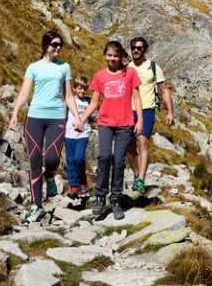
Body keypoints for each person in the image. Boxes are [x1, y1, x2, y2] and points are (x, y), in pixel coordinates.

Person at [7, 32, 81, 223]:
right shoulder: (34, 67)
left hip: (57, 118)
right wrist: (15, 113)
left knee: (51, 158)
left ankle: (50, 176)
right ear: (45, 45)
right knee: (34, 162)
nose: (58, 48)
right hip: (35, 118)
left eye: (60, 45)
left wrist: (77, 117)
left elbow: (69, 95)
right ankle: (36, 205)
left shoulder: (64, 67)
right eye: (55, 44)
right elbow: (24, 92)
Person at [77, 41, 142, 220]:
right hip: (105, 122)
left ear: (120, 56)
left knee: (119, 160)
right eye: (109, 55)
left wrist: (140, 120)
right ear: (105, 55)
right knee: (104, 157)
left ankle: (116, 198)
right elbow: (94, 102)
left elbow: (137, 98)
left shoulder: (130, 73)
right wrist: (81, 119)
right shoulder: (99, 76)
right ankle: (100, 196)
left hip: (125, 123)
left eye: (115, 55)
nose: (112, 58)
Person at [124, 36, 175, 195]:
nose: (136, 50)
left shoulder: (153, 67)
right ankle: (136, 174)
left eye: (139, 48)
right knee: (129, 146)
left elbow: (164, 90)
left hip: (147, 110)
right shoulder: (126, 68)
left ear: (144, 49)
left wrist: (170, 112)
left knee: (142, 141)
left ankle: (141, 179)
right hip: (128, 110)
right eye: (133, 47)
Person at [63, 78, 93, 198]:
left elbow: (95, 115)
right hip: (69, 134)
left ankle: (83, 183)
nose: (82, 91)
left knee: (79, 158)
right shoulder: (69, 100)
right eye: (80, 88)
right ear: (74, 89)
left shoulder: (89, 102)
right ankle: (74, 187)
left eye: (85, 88)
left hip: (83, 134)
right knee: (70, 161)